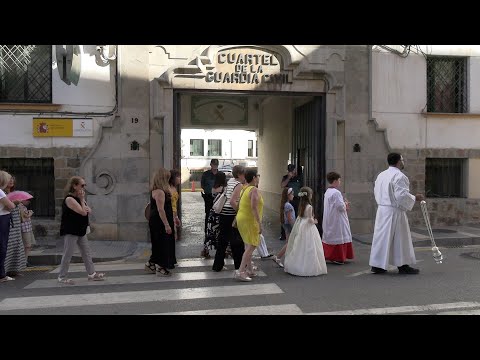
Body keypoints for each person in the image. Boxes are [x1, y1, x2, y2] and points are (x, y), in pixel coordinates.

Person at [369, 153, 424, 275]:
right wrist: (415, 198)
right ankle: (403, 265)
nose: (403, 162)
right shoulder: (400, 176)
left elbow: (376, 192)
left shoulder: (381, 175)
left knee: (381, 238)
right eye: (403, 160)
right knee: (401, 238)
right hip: (394, 211)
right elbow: (401, 196)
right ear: (399, 162)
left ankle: (377, 265)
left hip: (382, 210)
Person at [57, 176, 106, 284]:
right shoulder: (70, 199)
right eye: (82, 185)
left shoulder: (78, 199)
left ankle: (91, 273)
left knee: (86, 252)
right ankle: (62, 276)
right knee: (68, 253)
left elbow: (89, 210)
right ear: (74, 186)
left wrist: (84, 204)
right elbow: (83, 212)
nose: (84, 188)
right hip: (71, 230)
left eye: (85, 185)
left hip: (80, 229)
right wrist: (82, 200)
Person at [284, 186, 327, 277]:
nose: (311, 196)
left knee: (300, 245)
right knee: (310, 246)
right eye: (311, 194)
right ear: (308, 196)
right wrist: (315, 221)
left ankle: (296, 264)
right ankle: (309, 266)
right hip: (308, 227)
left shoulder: (301, 206)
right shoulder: (309, 207)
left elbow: (302, 217)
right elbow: (310, 220)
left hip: (302, 226)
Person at [212, 165, 246, 271]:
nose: (245, 176)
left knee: (223, 240)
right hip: (230, 215)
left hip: (223, 214)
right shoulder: (239, 184)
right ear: (240, 174)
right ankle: (239, 266)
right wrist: (240, 211)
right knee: (237, 242)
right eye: (244, 174)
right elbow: (232, 201)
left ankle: (217, 266)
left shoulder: (230, 181)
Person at [145, 168, 176, 276]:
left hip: (157, 221)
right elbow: (161, 209)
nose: (168, 180)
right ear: (163, 179)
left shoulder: (156, 190)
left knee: (157, 243)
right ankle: (161, 267)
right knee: (163, 243)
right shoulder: (160, 192)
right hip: (160, 222)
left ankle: (151, 263)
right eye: (167, 178)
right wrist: (167, 225)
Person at [235, 169, 263, 281]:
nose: (259, 178)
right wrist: (259, 223)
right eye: (258, 176)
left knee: (248, 245)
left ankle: (250, 270)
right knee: (252, 245)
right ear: (254, 177)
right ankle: (241, 271)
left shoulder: (244, 188)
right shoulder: (254, 190)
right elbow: (254, 207)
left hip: (242, 219)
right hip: (250, 221)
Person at [322, 171, 354, 265]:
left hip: (330, 217)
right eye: (339, 180)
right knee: (338, 235)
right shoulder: (336, 193)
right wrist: (346, 204)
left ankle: (330, 255)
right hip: (337, 219)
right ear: (335, 180)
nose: (340, 182)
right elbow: (340, 207)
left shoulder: (328, 191)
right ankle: (338, 257)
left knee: (331, 235)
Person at [4, 175, 26, 278]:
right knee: (8, 247)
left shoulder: (13, 194)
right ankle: (5, 270)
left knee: (17, 246)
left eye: (12, 179)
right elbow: (5, 208)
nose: (11, 181)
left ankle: (14, 270)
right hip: (8, 222)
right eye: (9, 180)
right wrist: (15, 203)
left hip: (16, 223)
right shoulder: (2, 194)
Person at [272, 187, 296, 268]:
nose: (293, 195)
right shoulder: (288, 205)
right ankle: (278, 257)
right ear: (288, 195)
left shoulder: (285, 204)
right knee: (289, 243)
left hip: (286, 225)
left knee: (289, 243)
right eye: (292, 194)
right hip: (289, 225)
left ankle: (287, 258)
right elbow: (290, 218)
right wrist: (294, 227)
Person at [0, 171, 16, 283]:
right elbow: (11, 206)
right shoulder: (0, 192)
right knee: (2, 247)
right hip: (2, 220)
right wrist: (12, 204)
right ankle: (1, 275)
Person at [279, 164, 303, 240]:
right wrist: (289, 177)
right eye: (290, 170)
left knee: (295, 215)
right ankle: (284, 234)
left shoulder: (299, 177)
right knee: (286, 217)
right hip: (288, 199)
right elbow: (282, 185)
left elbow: (301, 187)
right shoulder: (285, 177)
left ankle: (295, 233)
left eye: (293, 170)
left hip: (296, 199)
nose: (292, 172)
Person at [201, 159, 219, 244]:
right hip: (208, 197)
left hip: (218, 198)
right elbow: (202, 184)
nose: (215, 166)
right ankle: (207, 232)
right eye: (213, 164)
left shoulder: (220, 175)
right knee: (208, 214)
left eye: (216, 164)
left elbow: (223, 184)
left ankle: (217, 232)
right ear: (211, 164)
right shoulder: (206, 174)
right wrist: (208, 191)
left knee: (218, 215)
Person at [19, 198, 37, 267]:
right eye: (28, 201)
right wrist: (30, 214)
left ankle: (24, 261)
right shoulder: (20, 206)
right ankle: (24, 262)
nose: (28, 203)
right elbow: (23, 218)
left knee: (28, 246)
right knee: (27, 245)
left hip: (27, 228)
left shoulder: (23, 207)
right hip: (24, 229)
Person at [169, 169, 182, 241]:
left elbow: (175, 205)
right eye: (178, 177)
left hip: (174, 214)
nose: (180, 178)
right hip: (169, 215)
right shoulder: (168, 189)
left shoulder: (175, 188)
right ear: (173, 178)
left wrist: (176, 217)